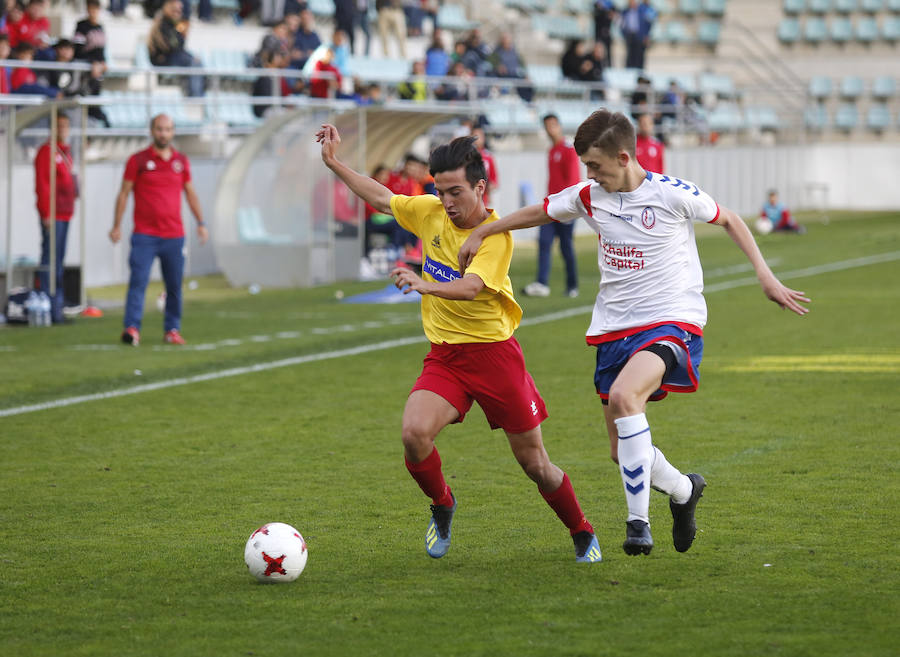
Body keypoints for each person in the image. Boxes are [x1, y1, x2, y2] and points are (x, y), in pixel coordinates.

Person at [458, 109, 811, 557]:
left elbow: (730, 219)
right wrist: (488, 228)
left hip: (671, 321)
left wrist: (766, 276)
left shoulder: (671, 194)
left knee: (626, 398)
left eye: (595, 165)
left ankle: (637, 523)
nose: (590, 174)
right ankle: (684, 491)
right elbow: (543, 211)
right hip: (613, 329)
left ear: (624, 157)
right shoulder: (590, 195)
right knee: (619, 450)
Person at [317, 123, 603, 564]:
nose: (447, 202)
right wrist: (336, 163)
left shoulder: (494, 234)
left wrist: (423, 284)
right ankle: (443, 504)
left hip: (496, 358)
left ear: (480, 187)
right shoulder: (429, 211)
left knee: (535, 464)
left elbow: (471, 288)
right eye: (440, 191)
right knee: (414, 435)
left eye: (455, 192)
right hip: (447, 357)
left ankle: (581, 530)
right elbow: (379, 197)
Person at [109, 114, 209, 346]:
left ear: (173, 132)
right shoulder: (138, 161)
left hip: (174, 235)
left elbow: (190, 193)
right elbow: (123, 194)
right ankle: (132, 328)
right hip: (145, 235)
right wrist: (116, 225)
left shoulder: (181, 162)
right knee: (138, 282)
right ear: (152, 131)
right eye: (159, 129)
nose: (163, 133)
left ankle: (172, 329)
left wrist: (201, 223)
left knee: (174, 286)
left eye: (168, 129)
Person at [522, 114, 580, 299]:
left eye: (553, 125)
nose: (550, 129)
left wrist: (569, 208)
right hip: (551, 207)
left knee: (566, 247)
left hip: (566, 208)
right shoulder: (551, 150)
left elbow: (572, 180)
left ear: (559, 126)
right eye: (547, 126)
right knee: (544, 242)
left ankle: (572, 285)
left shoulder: (568, 149)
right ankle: (542, 283)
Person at [35, 113, 76, 323]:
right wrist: (46, 213)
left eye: (66, 126)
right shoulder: (47, 152)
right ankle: (48, 307)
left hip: (65, 212)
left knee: (58, 261)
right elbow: (42, 184)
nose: (63, 130)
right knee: (51, 261)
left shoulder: (65, 152)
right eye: (59, 125)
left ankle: (57, 307)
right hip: (54, 215)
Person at [147, 0, 205, 97]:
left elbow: (179, 48)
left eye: (180, 10)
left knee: (196, 60)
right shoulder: (163, 25)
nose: (179, 13)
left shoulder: (174, 24)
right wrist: (182, 32)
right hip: (164, 60)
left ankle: (199, 93)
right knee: (193, 62)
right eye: (176, 10)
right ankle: (195, 96)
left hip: (173, 57)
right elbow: (173, 47)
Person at [592, 0, 616, 68]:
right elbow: (597, 14)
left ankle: (608, 65)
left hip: (607, 30)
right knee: (598, 48)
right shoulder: (596, 3)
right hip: (598, 30)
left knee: (607, 49)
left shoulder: (610, 3)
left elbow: (613, 13)